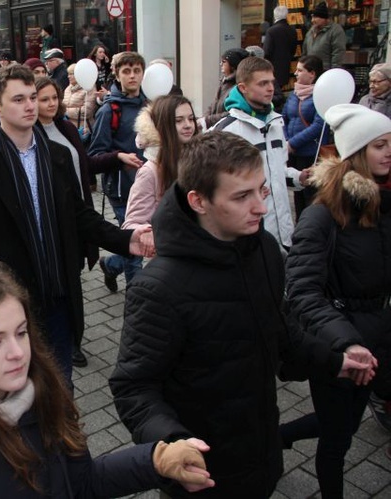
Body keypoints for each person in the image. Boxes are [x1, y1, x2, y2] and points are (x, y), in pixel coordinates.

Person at [110, 131, 377, 499]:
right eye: (241, 196)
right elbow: (133, 386)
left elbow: (281, 334)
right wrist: (173, 443)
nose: (261, 208)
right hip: (201, 474)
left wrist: (335, 360)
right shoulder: (158, 288)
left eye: (262, 190)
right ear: (198, 201)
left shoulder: (263, 249)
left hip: (260, 454)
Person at [0, 264, 215, 498]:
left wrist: (156, 460)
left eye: (21, 332)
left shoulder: (41, 395)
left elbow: (80, 484)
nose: (18, 353)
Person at [0, 65, 153, 383]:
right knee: (18, 393)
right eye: (18, 99)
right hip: (8, 306)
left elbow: (80, 215)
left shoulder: (57, 156)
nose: (29, 105)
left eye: (32, 97)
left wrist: (126, 240)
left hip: (58, 297)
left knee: (60, 387)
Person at [279, 104, 391, 499]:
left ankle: (280, 435)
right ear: (357, 152)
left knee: (344, 424)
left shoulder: (383, 204)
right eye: (380, 145)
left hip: (378, 339)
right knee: (337, 441)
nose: (389, 152)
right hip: (338, 348)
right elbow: (304, 291)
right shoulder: (322, 216)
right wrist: (347, 342)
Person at [35, 77, 141, 368]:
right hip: (54, 221)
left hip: (80, 212)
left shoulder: (66, 128)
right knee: (64, 282)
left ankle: (69, 337)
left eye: (53, 98)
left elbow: (85, 164)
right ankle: (68, 342)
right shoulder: (30, 135)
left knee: (75, 277)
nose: (51, 104)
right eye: (43, 99)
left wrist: (117, 157)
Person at [213, 56, 307, 250]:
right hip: (248, 237)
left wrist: (300, 178)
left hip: (283, 236)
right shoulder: (226, 131)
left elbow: (278, 171)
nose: (270, 88)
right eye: (263, 83)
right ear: (243, 87)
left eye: (271, 82)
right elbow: (214, 187)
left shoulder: (276, 123)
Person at [88, 51, 146, 292]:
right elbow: (94, 155)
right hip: (122, 189)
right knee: (137, 242)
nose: (132, 76)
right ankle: (138, 298)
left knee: (142, 240)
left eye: (136, 71)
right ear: (118, 75)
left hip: (149, 185)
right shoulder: (109, 110)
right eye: (126, 71)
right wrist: (119, 157)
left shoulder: (151, 104)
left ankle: (111, 265)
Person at [123, 94, 198, 240]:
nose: (188, 125)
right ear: (164, 125)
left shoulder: (200, 158)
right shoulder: (150, 171)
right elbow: (132, 223)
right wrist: (159, 235)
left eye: (191, 118)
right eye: (179, 120)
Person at [283, 55, 326, 219]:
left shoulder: (321, 96)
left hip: (310, 152)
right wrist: (287, 140)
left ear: (312, 74)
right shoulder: (294, 94)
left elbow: (318, 125)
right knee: (297, 194)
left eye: (300, 70)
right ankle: (300, 223)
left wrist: (293, 142)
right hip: (293, 152)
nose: (296, 73)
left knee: (310, 194)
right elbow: (285, 118)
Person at [202, 48, 249, 129]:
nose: (220, 64)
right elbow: (214, 104)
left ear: (233, 65)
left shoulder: (238, 87)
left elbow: (233, 113)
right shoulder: (224, 82)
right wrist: (203, 119)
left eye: (224, 62)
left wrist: (208, 120)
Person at [303, 1, 347, 70]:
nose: (312, 20)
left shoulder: (336, 31)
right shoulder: (310, 31)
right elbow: (305, 52)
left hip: (326, 71)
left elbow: (338, 53)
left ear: (324, 18)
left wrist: (334, 72)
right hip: (311, 71)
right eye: (312, 17)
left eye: (315, 17)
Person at [264, 5, 298, 91]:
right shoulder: (292, 30)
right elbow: (293, 51)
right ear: (287, 15)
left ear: (275, 16)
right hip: (285, 67)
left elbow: (267, 52)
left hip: (272, 69)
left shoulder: (271, 31)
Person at [62, 63, 97, 136]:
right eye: (68, 74)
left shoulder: (89, 88)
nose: (68, 76)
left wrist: (66, 111)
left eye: (71, 74)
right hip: (69, 129)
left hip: (84, 130)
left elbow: (87, 112)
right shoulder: (68, 89)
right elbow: (62, 106)